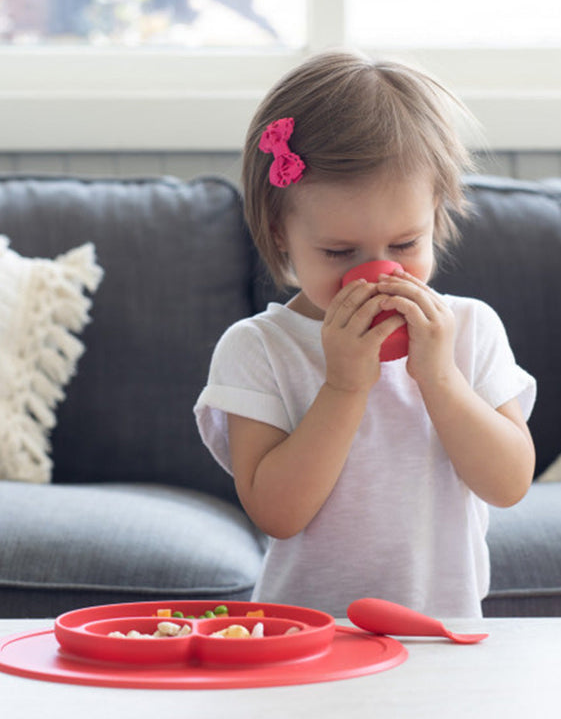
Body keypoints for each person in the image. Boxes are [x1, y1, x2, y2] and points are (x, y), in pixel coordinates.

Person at [194, 50, 536, 617]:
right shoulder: (258, 349)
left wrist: (440, 378)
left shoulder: (470, 329)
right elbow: (278, 513)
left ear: (436, 215)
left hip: (441, 627)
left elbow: (507, 484)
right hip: (307, 634)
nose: (380, 273)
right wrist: (345, 387)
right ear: (281, 233)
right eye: (339, 253)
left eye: (404, 245)